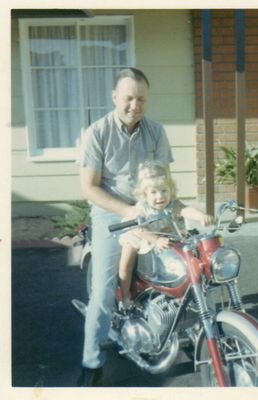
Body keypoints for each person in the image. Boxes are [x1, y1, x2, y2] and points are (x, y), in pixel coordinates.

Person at [77, 67, 173, 386]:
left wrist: (175, 210)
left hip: (147, 208)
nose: (135, 104)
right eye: (129, 98)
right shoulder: (97, 132)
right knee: (104, 291)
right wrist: (126, 210)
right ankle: (91, 362)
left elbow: (163, 180)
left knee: (175, 271)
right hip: (110, 211)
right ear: (115, 97)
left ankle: (167, 327)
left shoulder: (156, 131)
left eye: (141, 98)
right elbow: (90, 187)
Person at [117, 161, 213, 309]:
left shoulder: (172, 204)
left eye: (164, 190)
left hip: (164, 236)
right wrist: (155, 239)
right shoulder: (142, 209)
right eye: (153, 192)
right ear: (144, 195)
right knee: (126, 262)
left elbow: (185, 210)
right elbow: (138, 229)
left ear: (171, 190)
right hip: (140, 236)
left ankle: (180, 291)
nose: (160, 196)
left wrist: (201, 216)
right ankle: (125, 296)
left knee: (187, 256)